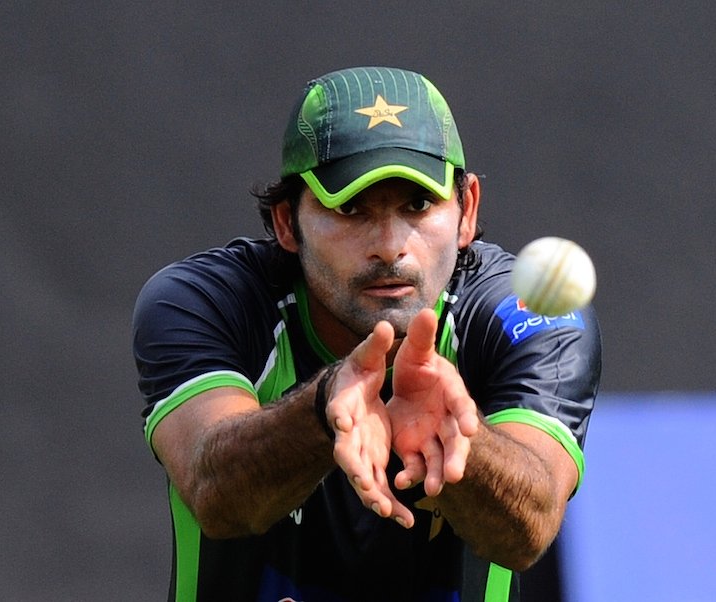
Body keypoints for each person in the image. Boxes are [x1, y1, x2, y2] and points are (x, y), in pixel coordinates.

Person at [132, 65, 601, 602]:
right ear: (287, 221)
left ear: (466, 210)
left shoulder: (525, 314)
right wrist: (323, 408)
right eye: (350, 208)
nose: (390, 246)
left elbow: (530, 528)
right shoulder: (203, 301)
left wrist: (459, 441)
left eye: (418, 205)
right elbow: (214, 492)